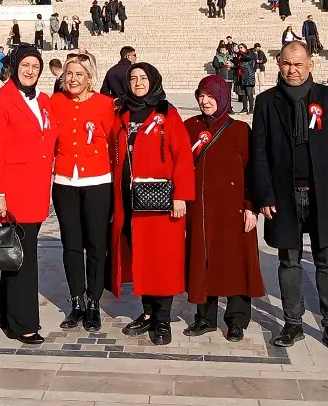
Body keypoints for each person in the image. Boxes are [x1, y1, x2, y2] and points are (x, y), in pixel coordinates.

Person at [251, 41, 328, 351]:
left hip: (323, 194)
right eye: (286, 64)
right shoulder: (266, 101)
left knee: (327, 261)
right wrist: (264, 195)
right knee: (288, 260)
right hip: (284, 193)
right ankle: (292, 322)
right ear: (278, 64)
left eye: (298, 64)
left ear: (310, 65)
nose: (292, 70)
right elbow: (260, 153)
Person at [110, 63, 195, 345]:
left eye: (143, 78)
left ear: (154, 80)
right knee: (141, 259)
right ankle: (147, 313)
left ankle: (163, 317)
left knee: (164, 260)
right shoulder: (121, 113)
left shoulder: (167, 113)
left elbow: (182, 155)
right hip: (130, 201)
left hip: (161, 202)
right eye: (133, 78)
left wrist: (181, 195)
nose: (137, 83)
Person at [0, 45, 56, 344]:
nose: (30, 71)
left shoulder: (45, 100)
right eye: (25, 65)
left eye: (35, 66)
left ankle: (8, 315)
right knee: (23, 259)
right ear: (14, 66)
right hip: (12, 191)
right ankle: (24, 323)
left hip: (36, 190)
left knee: (16, 255)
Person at [183, 76, 265, 341]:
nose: (204, 101)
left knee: (234, 263)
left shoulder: (240, 130)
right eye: (201, 95)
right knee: (202, 261)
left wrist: (251, 207)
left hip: (233, 211)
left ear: (223, 97)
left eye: (210, 96)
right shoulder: (190, 127)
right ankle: (204, 317)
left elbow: (252, 172)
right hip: (200, 210)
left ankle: (236, 319)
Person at [50, 53, 117, 331]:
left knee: (96, 245)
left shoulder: (105, 104)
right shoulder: (55, 102)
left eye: (79, 74)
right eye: (69, 74)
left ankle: (93, 302)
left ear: (90, 78)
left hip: (97, 181)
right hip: (65, 181)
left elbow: (114, 142)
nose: (73, 79)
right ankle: (77, 300)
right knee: (72, 244)